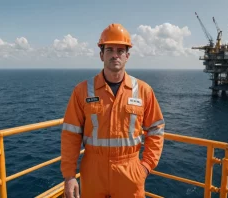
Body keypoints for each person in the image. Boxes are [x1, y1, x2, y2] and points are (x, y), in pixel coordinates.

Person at [60, 23, 165, 198]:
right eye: (109, 50)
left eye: (120, 50)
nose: (115, 55)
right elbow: (71, 134)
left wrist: (145, 166)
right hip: (93, 171)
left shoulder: (143, 91)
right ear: (101, 55)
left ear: (127, 56)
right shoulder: (82, 91)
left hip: (130, 171)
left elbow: (156, 129)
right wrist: (69, 176)